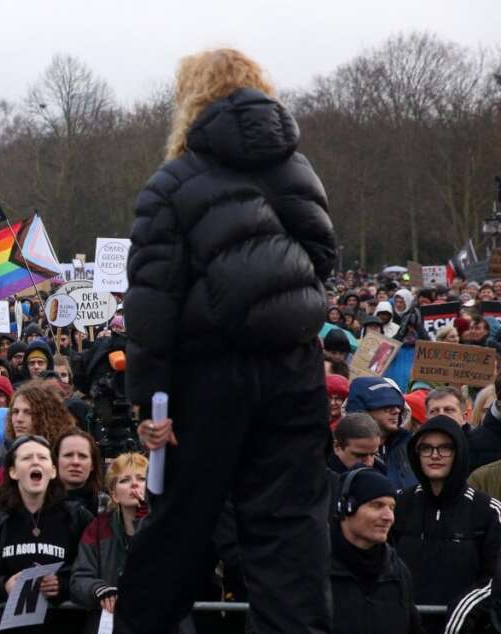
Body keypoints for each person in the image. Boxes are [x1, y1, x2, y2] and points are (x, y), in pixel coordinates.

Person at [121, 49, 337, 633]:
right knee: (292, 537)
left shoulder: (172, 183)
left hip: (208, 377)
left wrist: (150, 399)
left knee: (179, 530)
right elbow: (322, 260)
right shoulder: (299, 168)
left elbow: (151, 300)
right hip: (294, 370)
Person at [0, 435, 93, 632]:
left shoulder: (77, 517)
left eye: (42, 458)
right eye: (26, 458)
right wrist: (3, 585)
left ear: (52, 471)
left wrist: (63, 585)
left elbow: (94, 572)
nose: (35, 461)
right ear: (13, 471)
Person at [390, 415, 501, 616]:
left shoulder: (487, 511)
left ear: (459, 452)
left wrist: (461, 614)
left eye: (445, 448)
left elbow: (494, 578)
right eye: (426, 448)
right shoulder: (397, 505)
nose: (435, 455)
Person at [330, 468, 420, 634]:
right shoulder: (314, 569)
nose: (388, 517)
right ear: (346, 507)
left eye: (392, 507)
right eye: (377, 505)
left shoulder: (398, 572)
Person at [71, 453, 149, 633]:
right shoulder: (97, 528)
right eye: (125, 480)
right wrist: (99, 588)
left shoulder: (166, 526)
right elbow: (79, 580)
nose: (134, 484)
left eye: (141, 478)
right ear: (114, 494)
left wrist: (143, 515)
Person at [346, 376, 415, 489]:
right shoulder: (340, 447)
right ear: (364, 410)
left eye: (398, 406)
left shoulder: (411, 445)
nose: (396, 411)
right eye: (387, 406)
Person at [54, 428, 104, 516]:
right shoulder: (39, 504)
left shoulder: (106, 506)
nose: (75, 462)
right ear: (56, 461)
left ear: (92, 464)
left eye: (82, 456)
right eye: (68, 455)